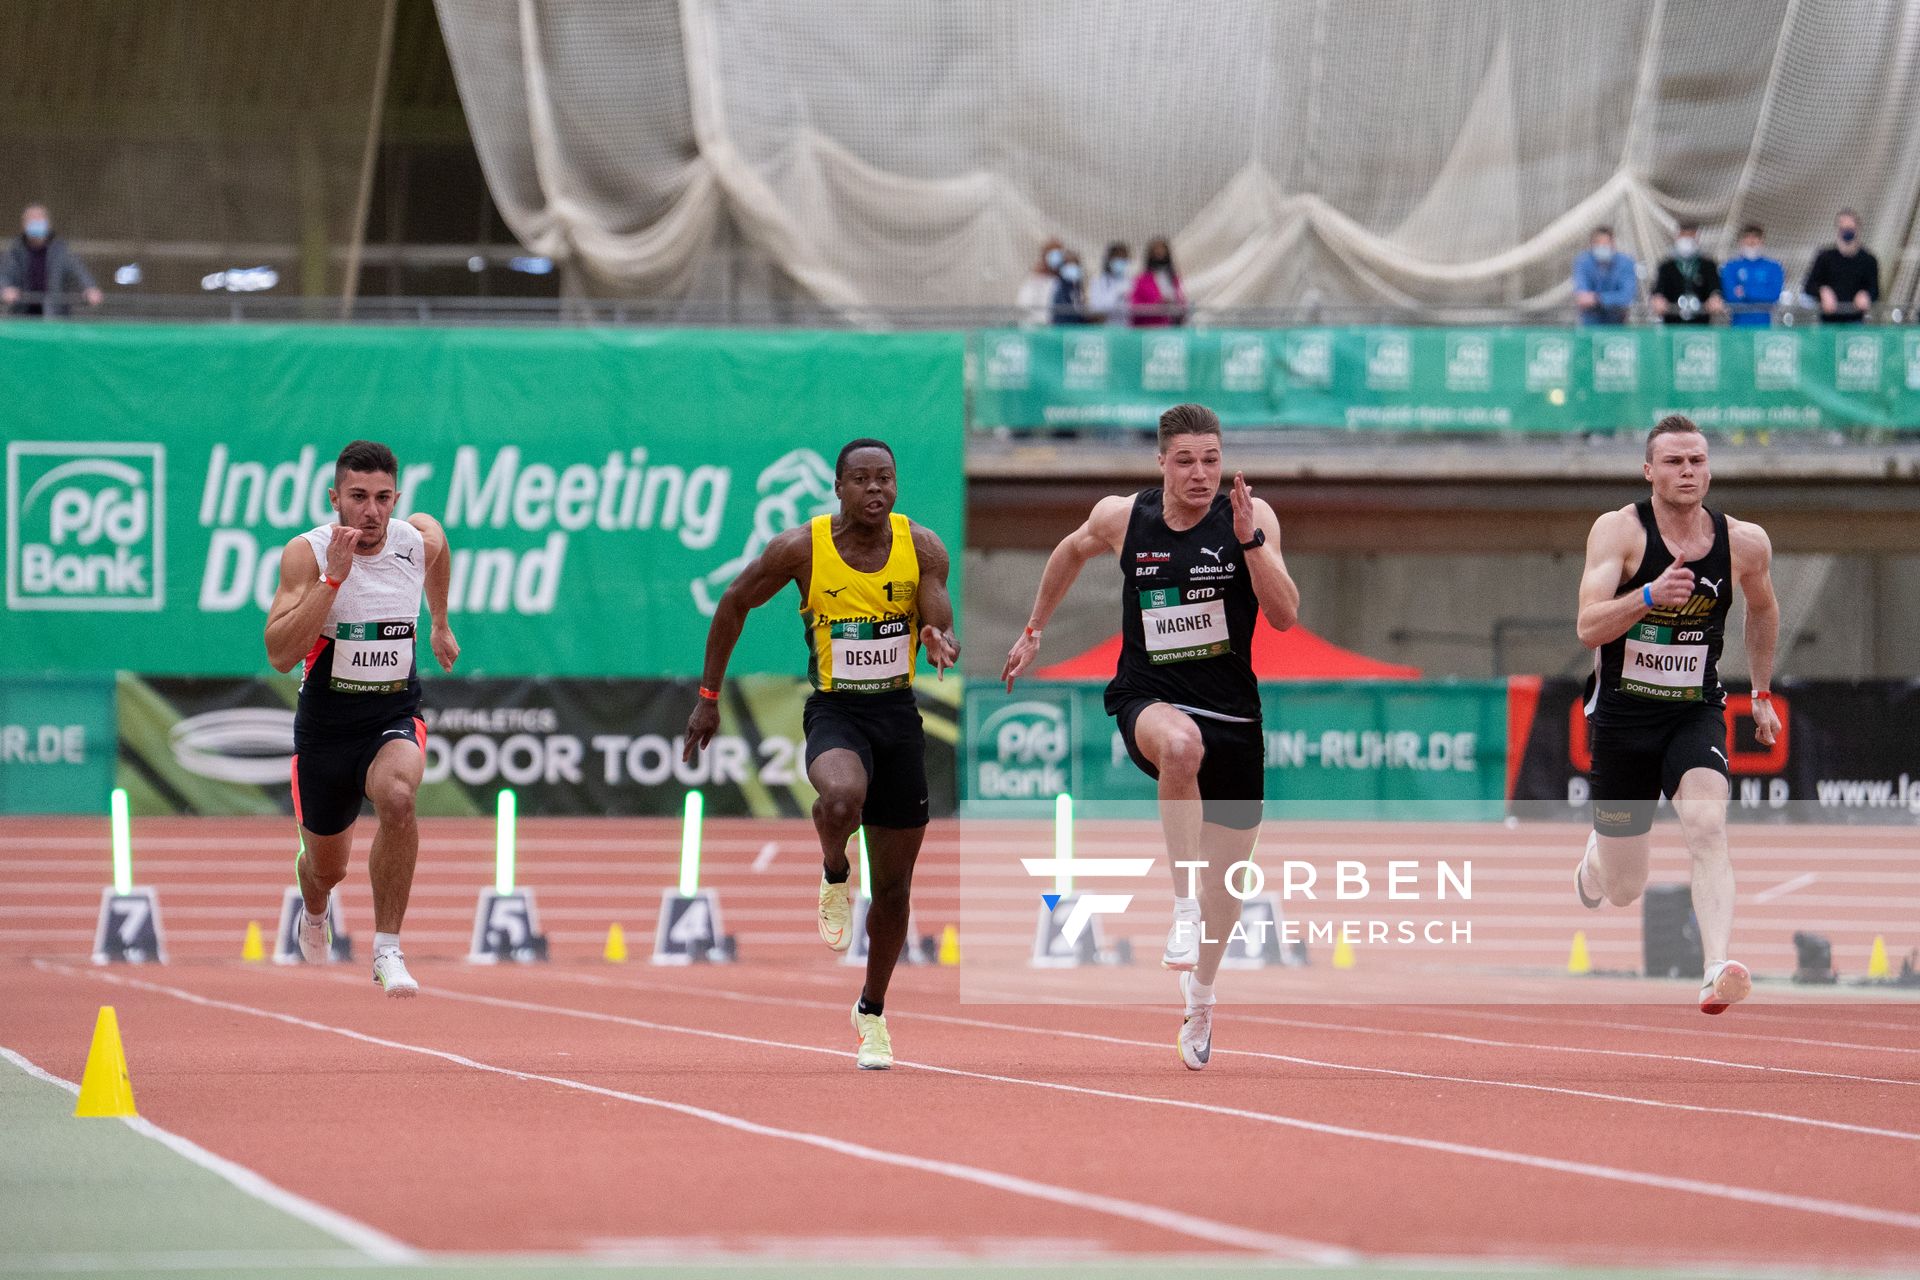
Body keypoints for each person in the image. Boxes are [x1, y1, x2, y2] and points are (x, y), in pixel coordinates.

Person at [1003, 403, 1299, 1070]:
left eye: (1212, 461)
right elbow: (1069, 550)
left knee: (1231, 891)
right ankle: (1180, 907)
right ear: (1161, 463)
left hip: (1236, 718)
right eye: (1187, 461)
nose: (1201, 474)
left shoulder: (1251, 516)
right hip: (1151, 700)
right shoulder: (1123, 518)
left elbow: (1284, 617)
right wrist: (1034, 629)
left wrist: (1251, 542)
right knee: (1180, 746)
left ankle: (1202, 995)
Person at [684, 439, 959, 1070]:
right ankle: (835, 869)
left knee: (894, 889)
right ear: (838, 487)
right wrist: (708, 696)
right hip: (835, 710)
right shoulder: (801, 548)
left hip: (898, 717)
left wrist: (937, 635)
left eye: (885, 479)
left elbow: (936, 609)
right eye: (861, 480)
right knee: (841, 796)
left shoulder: (922, 546)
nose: (875, 490)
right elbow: (733, 602)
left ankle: (871, 1012)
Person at [1573, 414, 1780, 1016]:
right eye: (1673, 462)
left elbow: (1764, 610)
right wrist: (1645, 597)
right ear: (1648, 471)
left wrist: (1761, 693)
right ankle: (1593, 864)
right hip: (1621, 721)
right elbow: (1587, 625)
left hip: (1694, 711)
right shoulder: (1620, 533)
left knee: (1707, 825)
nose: (1687, 471)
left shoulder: (1744, 542)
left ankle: (1716, 967)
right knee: (1623, 888)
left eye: (1697, 461)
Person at [264, 441, 460, 997]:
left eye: (382, 498)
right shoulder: (307, 553)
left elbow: (437, 547)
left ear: (395, 497)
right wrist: (333, 580)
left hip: (391, 715)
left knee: (398, 798)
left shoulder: (411, 539)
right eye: (358, 497)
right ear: (335, 499)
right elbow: (279, 653)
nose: (371, 511)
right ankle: (316, 908)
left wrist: (440, 621)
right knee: (327, 870)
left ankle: (387, 949)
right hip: (325, 730)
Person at [1, 204, 103, 316]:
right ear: (24, 224)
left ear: (47, 223)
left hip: (55, 314)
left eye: (39, 219)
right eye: (31, 220)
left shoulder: (61, 250)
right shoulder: (15, 251)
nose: (35, 223)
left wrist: (90, 288)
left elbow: (79, 271)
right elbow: (4, 274)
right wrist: (5, 289)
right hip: (23, 313)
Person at [1803, 209, 1878, 323]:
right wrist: (1822, 291)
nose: (1847, 231)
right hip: (1828, 323)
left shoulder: (1868, 260)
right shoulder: (1824, 257)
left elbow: (1875, 290)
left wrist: (1866, 295)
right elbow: (1808, 286)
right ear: (1837, 230)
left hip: (1855, 322)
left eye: (1850, 227)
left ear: (1858, 229)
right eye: (1843, 228)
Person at [1649, 223, 1723, 324]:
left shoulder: (1708, 265)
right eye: (1684, 236)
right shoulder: (1666, 266)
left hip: (1701, 323)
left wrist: (1715, 297)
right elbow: (1658, 290)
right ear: (1677, 238)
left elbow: (1715, 288)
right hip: (1672, 323)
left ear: (1697, 239)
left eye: (1690, 236)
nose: (1687, 240)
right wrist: (1658, 299)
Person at [1720, 225, 1783, 327]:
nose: (1751, 241)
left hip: (1764, 326)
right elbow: (1730, 296)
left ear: (1762, 241)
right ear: (1740, 241)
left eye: (1755, 238)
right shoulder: (1730, 267)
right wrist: (1760, 291)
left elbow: (1773, 295)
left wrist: (1745, 291)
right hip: (1738, 326)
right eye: (1747, 237)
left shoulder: (1773, 267)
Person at [1572, 227, 1638, 325]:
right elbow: (1582, 295)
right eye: (1598, 244)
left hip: (1617, 318)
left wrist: (1599, 299)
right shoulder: (1583, 262)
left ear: (1613, 244)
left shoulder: (1626, 262)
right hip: (1590, 319)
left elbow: (1627, 295)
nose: (1602, 247)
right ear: (1591, 245)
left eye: (1606, 244)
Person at [1129, 237, 1187, 326]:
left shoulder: (1173, 279)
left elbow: (1181, 300)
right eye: (1156, 251)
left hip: (1172, 325)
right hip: (1151, 326)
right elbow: (1135, 305)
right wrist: (1157, 304)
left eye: (1162, 251)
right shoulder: (1141, 280)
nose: (1160, 253)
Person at [1018, 239, 1065, 327]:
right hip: (1037, 327)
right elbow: (1024, 304)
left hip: (1056, 328)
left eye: (1059, 254)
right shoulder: (1035, 279)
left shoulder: (1063, 280)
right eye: (1053, 255)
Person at [1087, 242, 1132, 325]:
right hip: (1106, 329)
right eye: (1117, 257)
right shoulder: (1097, 281)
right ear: (1109, 259)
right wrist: (1116, 295)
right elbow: (1095, 309)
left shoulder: (1132, 282)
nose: (1120, 261)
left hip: (1127, 329)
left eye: (1123, 258)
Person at [1050, 250, 1091, 325]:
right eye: (1068, 264)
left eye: (1074, 264)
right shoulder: (1056, 285)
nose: (1072, 268)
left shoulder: (1078, 287)